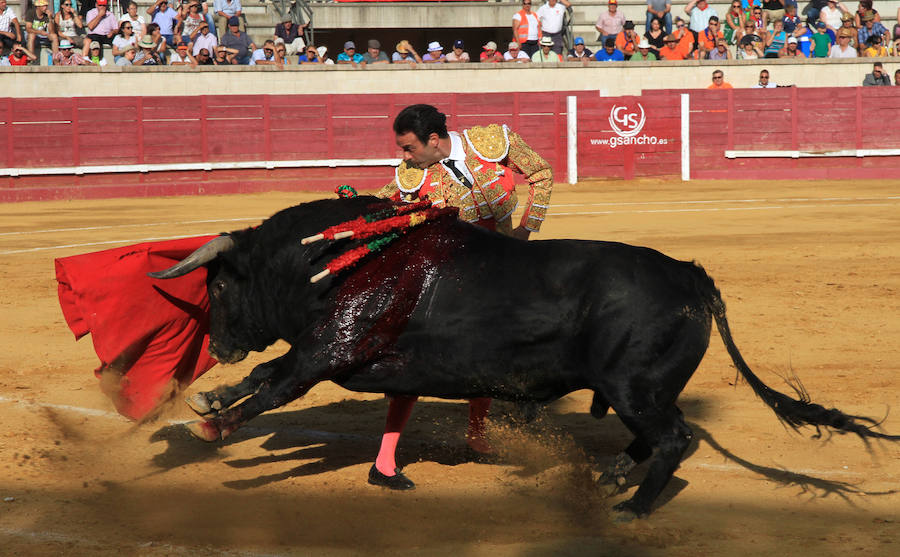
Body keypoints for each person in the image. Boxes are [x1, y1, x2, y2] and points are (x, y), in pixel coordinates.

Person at [372, 103, 553, 487]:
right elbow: (381, 214)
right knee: (415, 360)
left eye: (409, 148)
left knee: (513, 340)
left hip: (503, 265)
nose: (404, 156)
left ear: (433, 140)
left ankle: (478, 431)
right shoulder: (410, 175)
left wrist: (526, 229)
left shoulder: (492, 141)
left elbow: (541, 173)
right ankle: (384, 460)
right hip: (450, 277)